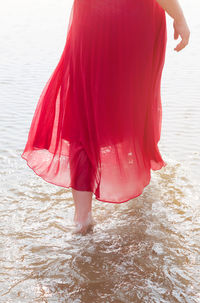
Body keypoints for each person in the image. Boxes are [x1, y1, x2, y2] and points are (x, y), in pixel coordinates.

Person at [21, 0, 190, 235]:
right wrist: (179, 17)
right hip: (134, 21)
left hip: (91, 19)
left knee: (84, 109)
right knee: (133, 103)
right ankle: (138, 184)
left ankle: (82, 219)